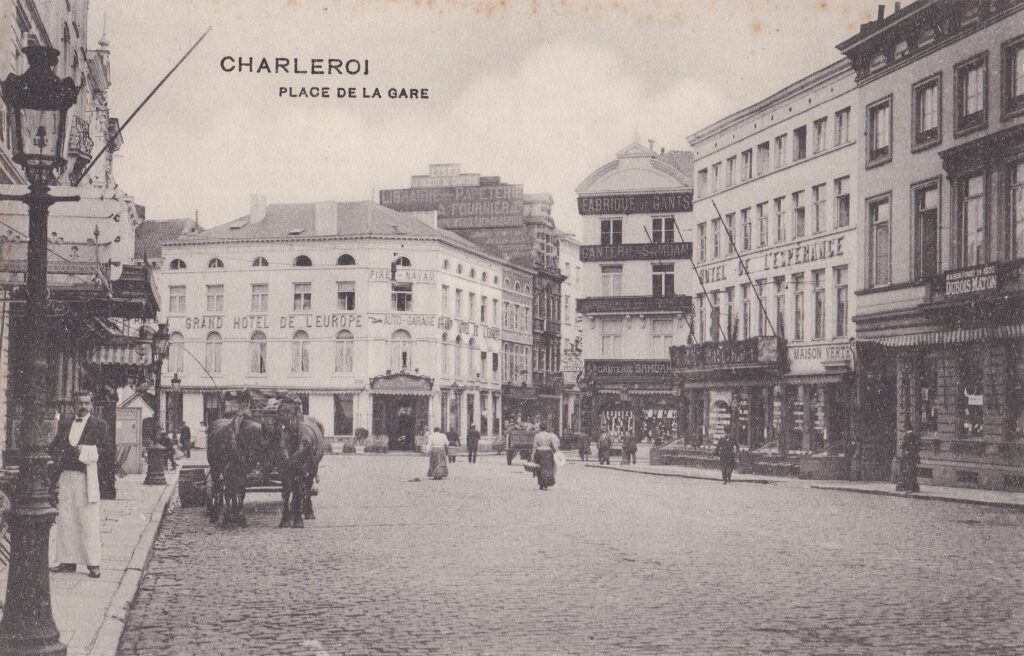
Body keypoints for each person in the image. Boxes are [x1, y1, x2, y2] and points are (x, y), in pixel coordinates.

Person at [49, 390, 106, 578]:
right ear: (74, 404)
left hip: (86, 476)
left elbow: (107, 450)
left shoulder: (99, 425)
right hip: (66, 476)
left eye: (87, 403)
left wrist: (86, 450)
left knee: (88, 519)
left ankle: (93, 564)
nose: (83, 406)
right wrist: (59, 457)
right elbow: (55, 446)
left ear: (91, 405)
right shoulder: (65, 423)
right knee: (66, 518)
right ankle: (67, 560)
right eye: (80, 403)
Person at [531, 422, 560, 490]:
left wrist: (532, 456)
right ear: (546, 428)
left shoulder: (537, 436)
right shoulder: (550, 436)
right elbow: (554, 445)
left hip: (539, 452)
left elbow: (534, 447)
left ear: (540, 428)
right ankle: (546, 483)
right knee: (548, 468)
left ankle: (541, 483)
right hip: (548, 452)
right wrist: (558, 452)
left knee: (539, 467)